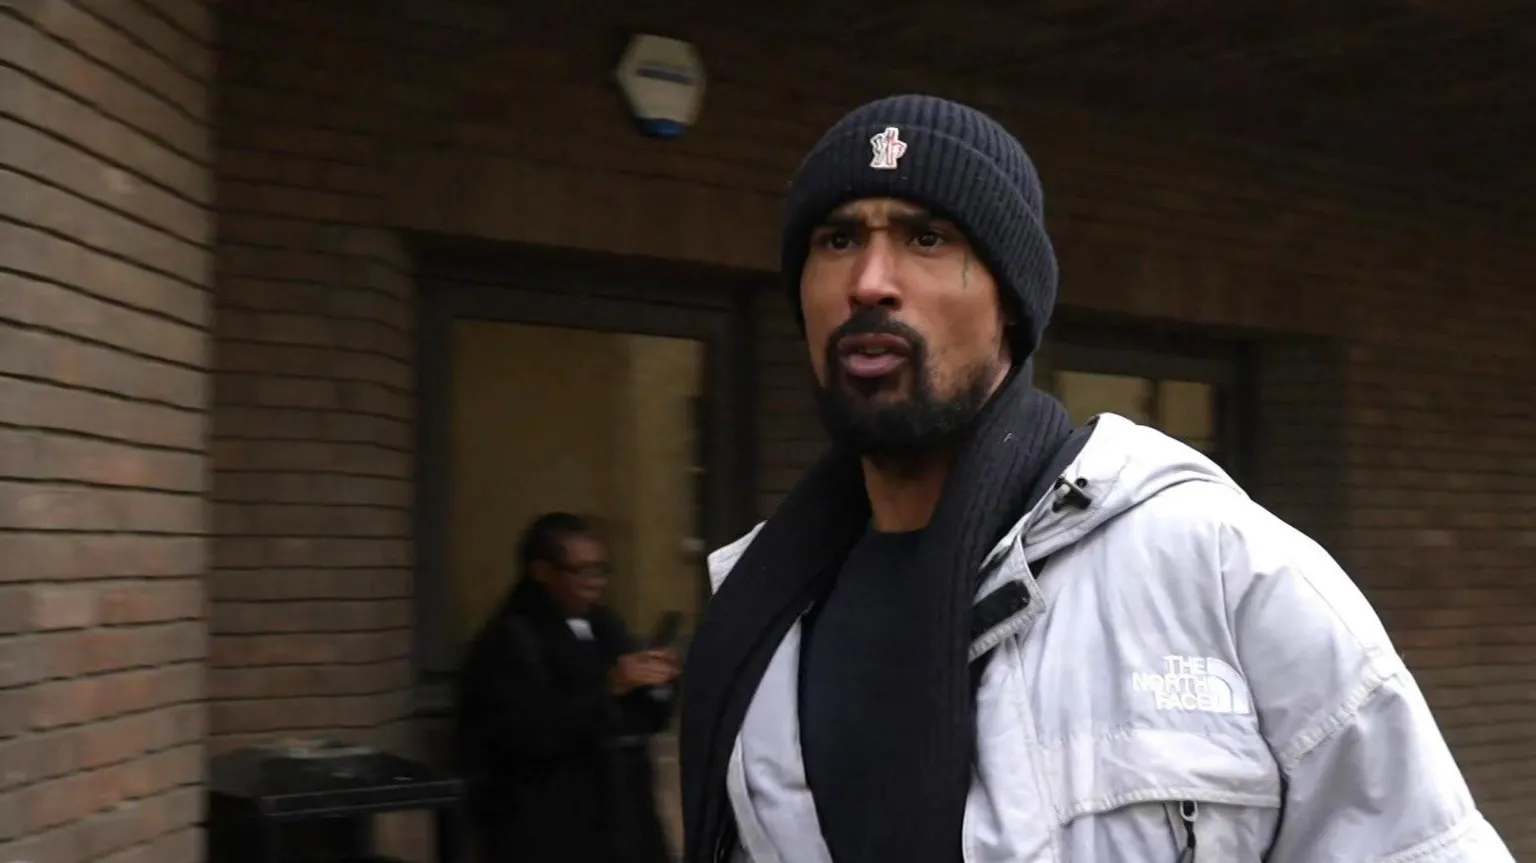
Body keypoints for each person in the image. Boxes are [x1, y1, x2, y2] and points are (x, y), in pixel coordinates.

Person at [677, 95, 1512, 862]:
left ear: (1010, 302)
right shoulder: (758, 619)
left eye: (927, 238)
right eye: (839, 239)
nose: (870, 281)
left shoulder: (1218, 569)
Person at [456, 512, 680, 863]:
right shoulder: (510, 641)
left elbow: (642, 719)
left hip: (623, 819)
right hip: (552, 826)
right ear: (543, 572)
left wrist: (659, 683)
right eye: (584, 571)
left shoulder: (606, 625)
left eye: (602, 570)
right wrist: (609, 688)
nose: (597, 583)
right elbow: (526, 734)